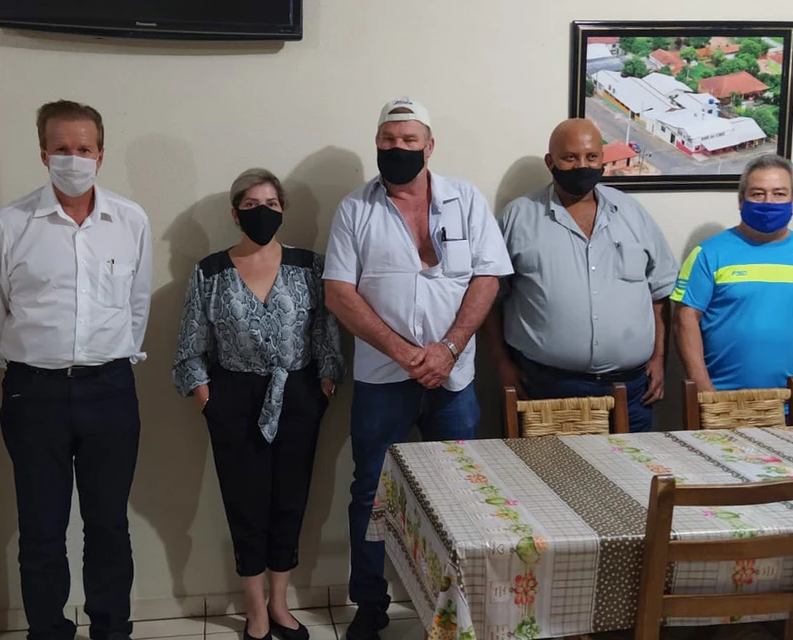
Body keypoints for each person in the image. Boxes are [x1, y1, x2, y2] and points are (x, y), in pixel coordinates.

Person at [323, 97, 512, 640]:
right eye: (389, 140)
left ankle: (455, 608)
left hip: (454, 379)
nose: (398, 148)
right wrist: (406, 354)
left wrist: (448, 348)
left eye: (409, 140)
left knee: (459, 494)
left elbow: (488, 279)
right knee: (370, 495)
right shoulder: (355, 209)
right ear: (376, 144)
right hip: (383, 381)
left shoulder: (466, 200)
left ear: (429, 147)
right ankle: (370, 605)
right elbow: (339, 293)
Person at [0, 100, 153, 640]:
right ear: (43, 153)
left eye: (83, 148)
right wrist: (32, 361)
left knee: (109, 526)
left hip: (110, 389)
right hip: (34, 393)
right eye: (61, 149)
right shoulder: (10, 224)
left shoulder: (130, 220)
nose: (73, 158)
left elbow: (137, 305)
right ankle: (48, 631)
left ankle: (111, 630)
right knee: (42, 530)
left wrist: (109, 355)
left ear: (100, 154)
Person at [173, 169, 344, 640]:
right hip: (234, 397)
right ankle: (255, 610)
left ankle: (280, 603)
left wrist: (324, 386)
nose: (262, 212)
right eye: (250, 205)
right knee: (244, 504)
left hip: (298, 394)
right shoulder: (210, 272)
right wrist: (208, 401)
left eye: (271, 203)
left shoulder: (309, 266)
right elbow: (190, 346)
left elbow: (326, 333)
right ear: (235, 214)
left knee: (291, 501)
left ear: (283, 209)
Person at [482, 118, 678, 433]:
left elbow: (660, 293)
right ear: (550, 162)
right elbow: (491, 298)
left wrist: (659, 358)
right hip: (545, 389)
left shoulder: (632, 214)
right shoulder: (518, 217)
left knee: (632, 467)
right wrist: (500, 363)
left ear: (602, 159)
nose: (582, 166)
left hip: (631, 392)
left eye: (591, 157)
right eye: (570, 157)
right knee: (548, 467)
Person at [671, 154, 793, 424]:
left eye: (779, 193)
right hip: (720, 404)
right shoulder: (708, 254)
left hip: (790, 407)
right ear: (741, 199)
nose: (768, 202)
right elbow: (684, 320)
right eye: (758, 193)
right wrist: (703, 389)